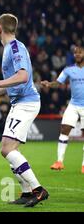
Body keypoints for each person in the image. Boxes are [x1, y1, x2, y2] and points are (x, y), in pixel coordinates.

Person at [0, 13, 49, 207]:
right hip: (20, 103)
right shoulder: (10, 48)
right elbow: (11, 83)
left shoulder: (15, 47)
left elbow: (23, 76)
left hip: (27, 103)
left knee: (7, 149)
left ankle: (38, 189)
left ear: (0, 27)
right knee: (9, 150)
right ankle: (26, 193)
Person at [41, 45, 84, 173]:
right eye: (75, 53)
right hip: (73, 104)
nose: (77, 55)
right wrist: (49, 84)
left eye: (80, 53)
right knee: (64, 129)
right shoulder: (68, 69)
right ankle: (59, 161)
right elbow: (59, 82)